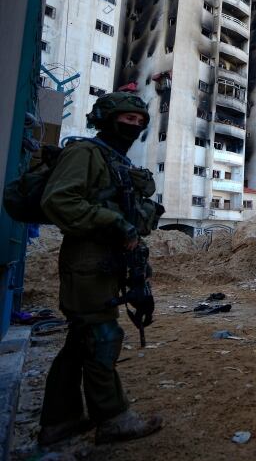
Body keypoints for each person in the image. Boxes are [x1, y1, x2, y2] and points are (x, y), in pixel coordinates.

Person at [37, 92, 164, 445]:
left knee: (81, 341)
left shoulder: (116, 161)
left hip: (106, 262)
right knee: (101, 337)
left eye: (140, 122)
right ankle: (113, 419)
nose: (133, 126)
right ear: (107, 119)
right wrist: (114, 223)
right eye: (127, 119)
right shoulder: (85, 153)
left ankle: (59, 421)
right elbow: (58, 200)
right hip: (87, 261)